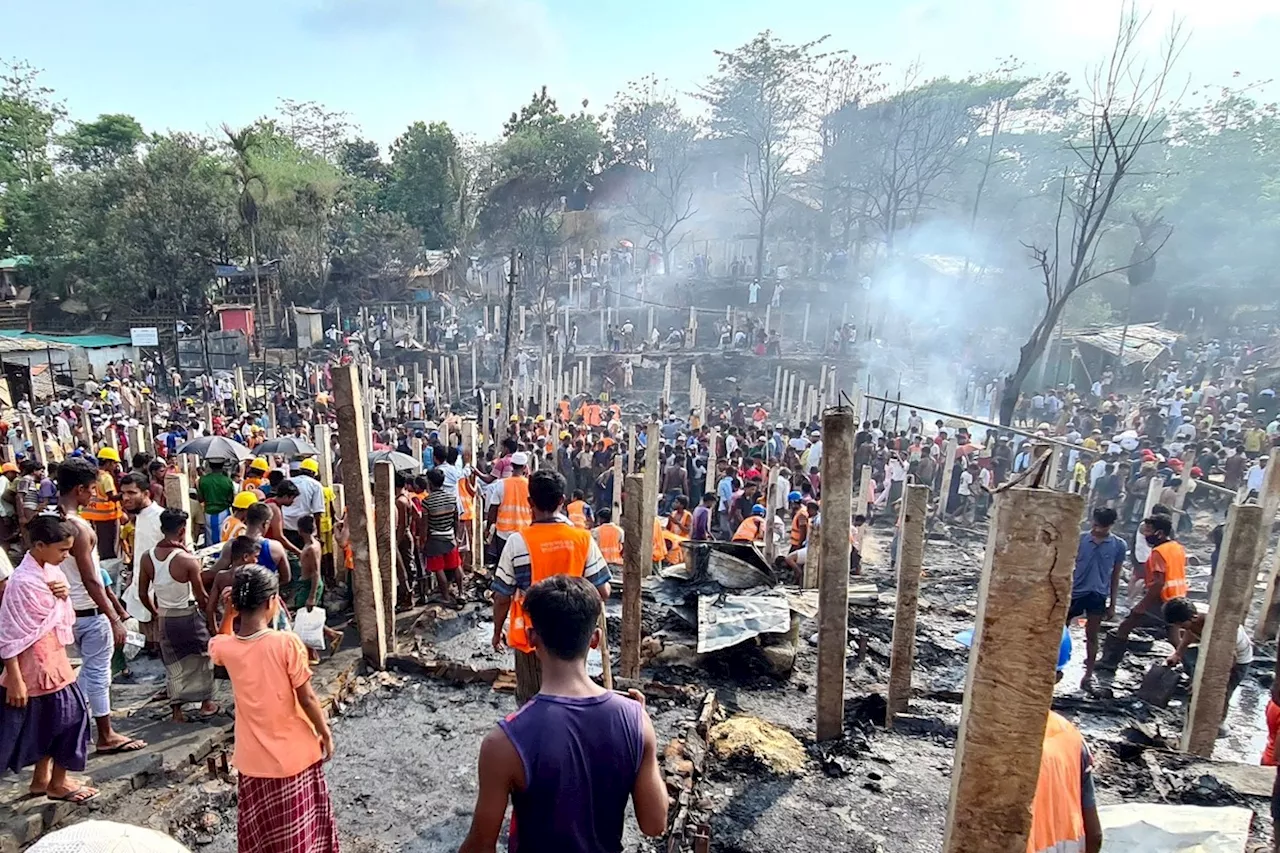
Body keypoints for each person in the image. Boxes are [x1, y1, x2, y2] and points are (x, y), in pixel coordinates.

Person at [459, 575, 668, 853]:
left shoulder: (505, 741)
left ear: (532, 639)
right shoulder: (635, 719)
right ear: (595, 639)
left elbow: (481, 846)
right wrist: (644, 731)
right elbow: (654, 824)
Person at [209, 565, 338, 853]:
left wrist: (229, 614)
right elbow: (307, 699)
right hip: (294, 756)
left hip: (253, 762)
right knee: (302, 832)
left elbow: (218, 642)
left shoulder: (227, 648)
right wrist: (324, 731)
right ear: (271, 603)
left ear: (238, 605)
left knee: (263, 836)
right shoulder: (286, 643)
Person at [491, 469, 611, 705]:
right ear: (561, 501)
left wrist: (497, 631)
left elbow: (502, 596)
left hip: (533, 636)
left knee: (531, 701)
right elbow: (603, 592)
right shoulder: (583, 539)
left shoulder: (518, 542)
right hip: (574, 635)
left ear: (529, 502)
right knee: (571, 696)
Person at [0, 515, 94, 804]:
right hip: (37, 665)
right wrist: (14, 676)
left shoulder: (51, 574)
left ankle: (42, 779)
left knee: (49, 723)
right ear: (40, 546)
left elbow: (59, 613)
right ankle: (58, 782)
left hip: (53, 657)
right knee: (72, 719)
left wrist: (62, 595)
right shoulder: (23, 583)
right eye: (62, 551)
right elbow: (10, 632)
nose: (66, 556)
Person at [54, 457, 145, 755]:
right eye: (92, 489)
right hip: (88, 610)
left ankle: (72, 726)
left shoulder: (47, 519)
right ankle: (105, 734)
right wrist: (114, 617)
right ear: (80, 489)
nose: (94, 494)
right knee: (98, 674)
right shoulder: (78, 528)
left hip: (64, 612)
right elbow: (92, 579)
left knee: (80, 675)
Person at [137, 509, 218, 723]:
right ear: (182, 531)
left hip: (165, 617)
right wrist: (211, 621)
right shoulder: (188, 560)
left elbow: (142, 593)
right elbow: (201, 596)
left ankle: (177, 711)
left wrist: (156, 614)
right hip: (188, 615)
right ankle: (206, 703)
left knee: (173, 663)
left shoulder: (148, 557)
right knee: (202, 658)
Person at [1100, 514, 1187, 670]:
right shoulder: (1177, 547)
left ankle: (1109, 663)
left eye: (1148, 531)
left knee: (1126, 625)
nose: (1145, 535)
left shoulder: (1158, 552)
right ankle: (1191, 668)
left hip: (1160, 600)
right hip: (1176, 598)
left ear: (1159, 533)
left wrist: (1142, 604)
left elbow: (1159, 582)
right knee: (1174, 637)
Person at [1163, 596, 1252, 736]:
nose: (1179, 628)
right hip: (1215, 650)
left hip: (1238, 659)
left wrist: (1207, 681)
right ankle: (1196, 722)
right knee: (1200, 688)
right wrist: (1178, 654)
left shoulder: (1217, 626)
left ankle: (1216, 728)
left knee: (1222, 693)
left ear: (1193, 617)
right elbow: (1190, 631)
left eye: (1181, 624)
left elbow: (1230, 659)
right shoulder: (1192, 613)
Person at [1068, 508, 1127, 689]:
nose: (1098, 530)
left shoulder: (1118, 545)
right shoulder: (1079, 539)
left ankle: (1088, 674)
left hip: (1098, 595)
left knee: (1092, 635)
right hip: (1074, 592)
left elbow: (1115, 576)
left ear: (1110, 525)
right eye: (1095, 525)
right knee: (1059, 632)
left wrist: (1112, 604)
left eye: (1102, 527)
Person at [423, 467, 463, 603]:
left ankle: (445, 596)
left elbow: (425, 524)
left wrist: (422, 541)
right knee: (456, 565)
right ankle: (461, 593)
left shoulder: (427, 501)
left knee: (438, 568)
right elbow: (456, 519)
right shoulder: (452, 498)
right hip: (450, 536)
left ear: (430, 483)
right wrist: (456, 536)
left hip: (435, 538)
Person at [195, 460, 235, 545]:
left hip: (208, 513)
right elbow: (231, 499)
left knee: (210, 540)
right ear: (223, 465)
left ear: (209, 465)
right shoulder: (228, 481)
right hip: (224, 513)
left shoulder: (203, 480)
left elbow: (200, 499)